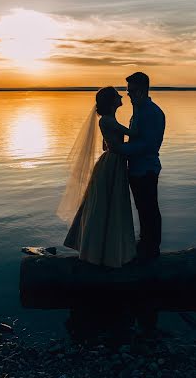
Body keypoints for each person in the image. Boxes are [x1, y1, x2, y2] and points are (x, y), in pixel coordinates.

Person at [58, 87, 137, 268]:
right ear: (111, 101)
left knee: (107, 205)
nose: (121, 96)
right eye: (117, 95)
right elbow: (133, 135)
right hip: (112, 165)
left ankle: (102, 249)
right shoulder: (108, 121)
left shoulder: (108, 120)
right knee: (109, 205)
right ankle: (106, 251)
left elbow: (104, 146)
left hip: (112, 162)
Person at [114, 72, 165, 262]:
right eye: (128, 91)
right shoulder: (139, 111)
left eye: (132, 91)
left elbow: (148, 144)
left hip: (146, 169)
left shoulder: (152, 112)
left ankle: (151, 248)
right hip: (136, 168)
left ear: (142, 90)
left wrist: (121, 148)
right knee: (142, 208)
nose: (128, 95)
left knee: (149, 208)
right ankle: (145, 243)